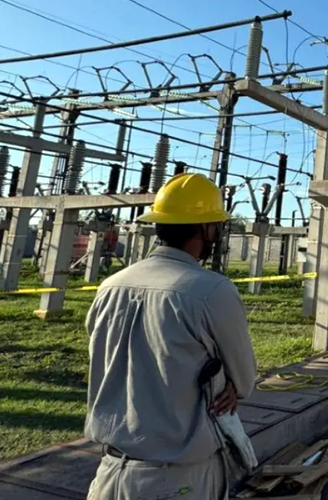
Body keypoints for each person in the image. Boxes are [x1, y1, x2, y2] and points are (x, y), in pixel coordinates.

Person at [84, 173, 258, 500]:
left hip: (109, 474)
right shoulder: (212, 291)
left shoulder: (110, 287)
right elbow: (245, 381)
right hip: (179, 479)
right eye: (215, 226)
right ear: (206, 230)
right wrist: (230, 383)